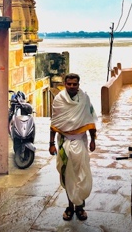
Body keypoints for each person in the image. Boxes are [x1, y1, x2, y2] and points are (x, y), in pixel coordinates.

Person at [49, 73, 97, 222]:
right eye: (68, 84)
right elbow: (55, 123)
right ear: (64, 84)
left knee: (81, 174)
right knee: (67, 175)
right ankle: (70, 207)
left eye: (74, 84)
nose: (71, 86)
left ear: (78, 84)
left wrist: (93, 140)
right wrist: (51, 144)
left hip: (81, 141)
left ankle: (80, 207)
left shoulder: (85, 99)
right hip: (64, 142)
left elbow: (90, 121)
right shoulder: (59, 100)